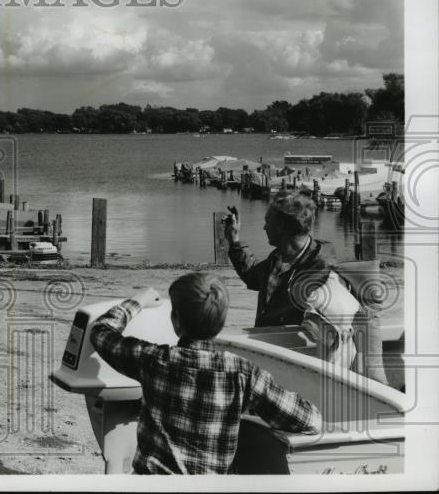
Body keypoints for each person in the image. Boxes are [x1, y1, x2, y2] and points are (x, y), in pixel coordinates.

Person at [89, 273, 321, 475]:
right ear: (220, 323)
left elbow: (101, 330)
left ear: (176, 321)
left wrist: (137, 301)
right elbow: (308, 420)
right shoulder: (243, 374)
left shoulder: (152, 360)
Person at [223, 191, 385, 381]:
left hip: (296, 365)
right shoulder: (278, 257)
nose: (264, 227)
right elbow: (253, 277)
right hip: (268, 352)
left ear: (282, 226)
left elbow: (333, 333)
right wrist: (234, 241)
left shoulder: (323, 272)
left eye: (268, 221)